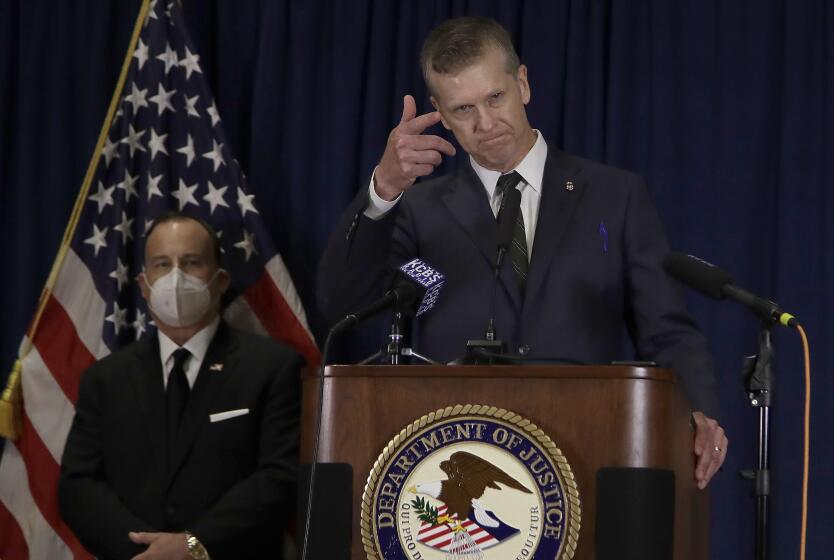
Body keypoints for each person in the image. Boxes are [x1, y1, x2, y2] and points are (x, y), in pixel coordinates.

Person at [318, 16, 727, 488]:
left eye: (495, 98)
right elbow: (343, 305)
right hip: (457, 465)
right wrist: (384, 188)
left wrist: (698, 411)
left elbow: (666, 330)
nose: (486, 123)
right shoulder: (417, 210)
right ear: (440, 113)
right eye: (464, 108)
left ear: (524, 84)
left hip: (585, 456)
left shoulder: (615, 197)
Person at [59, 212, 302, 560]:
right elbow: (77, 487)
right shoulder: (104, 379)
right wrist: (147, 552)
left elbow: (280, 478)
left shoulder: (272, 368)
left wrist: (193, 544)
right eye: (162, 264)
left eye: (191, 262)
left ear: (220, 280)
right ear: (144, 285)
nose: (176, 277)